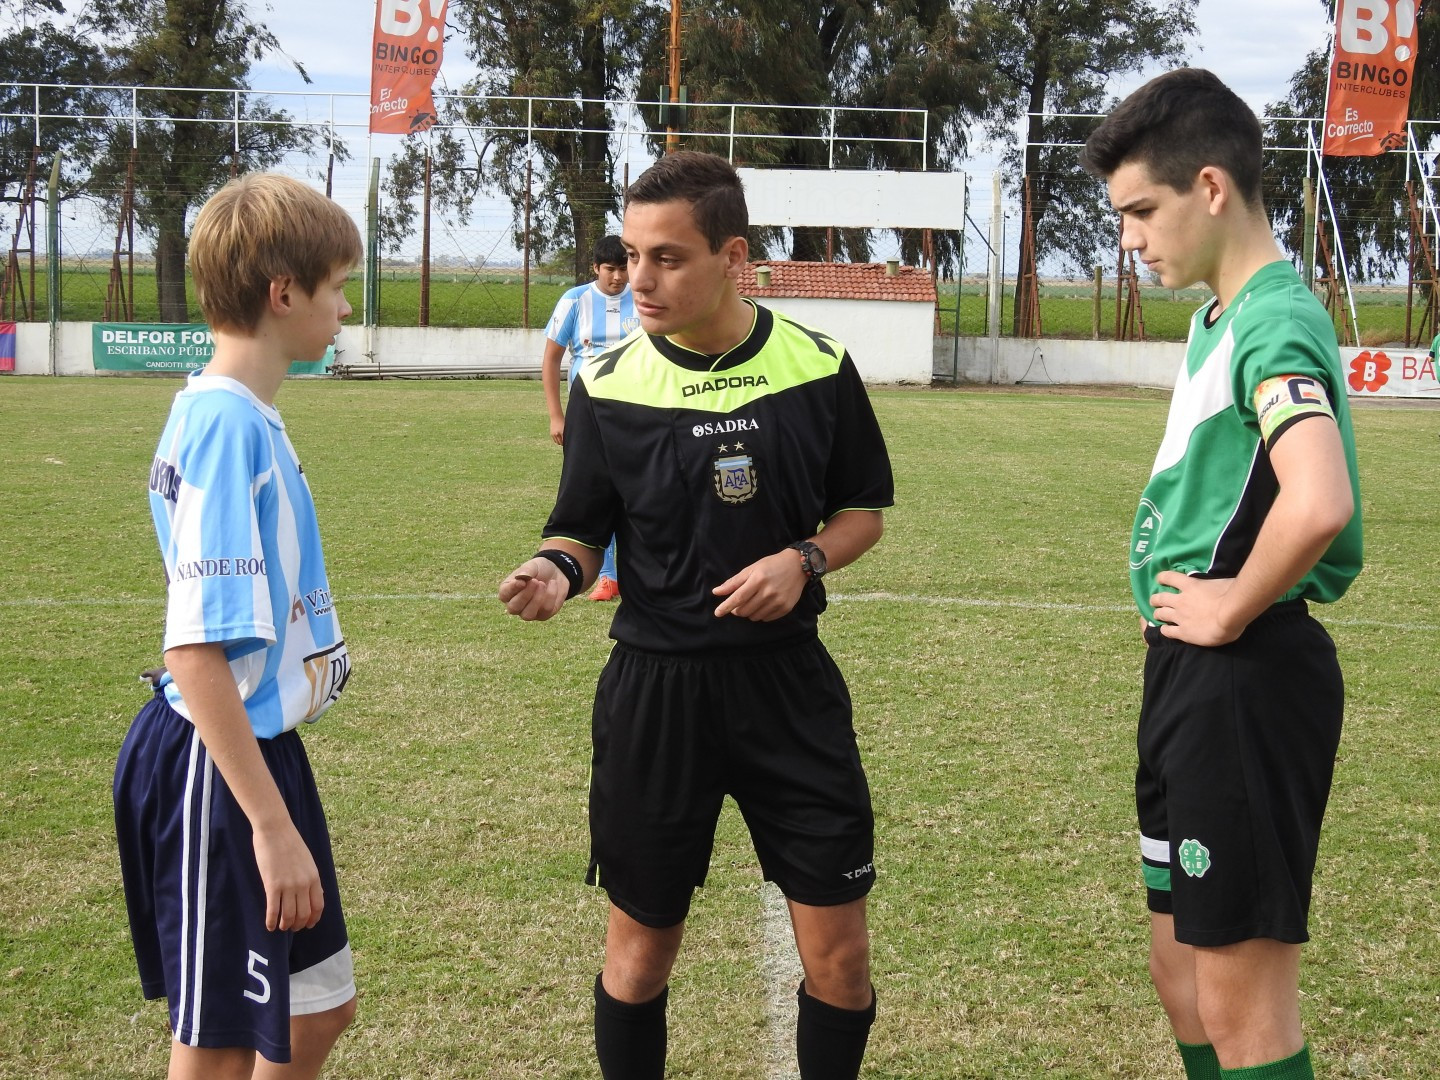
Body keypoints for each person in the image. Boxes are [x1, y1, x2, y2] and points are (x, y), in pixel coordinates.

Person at [499, 150, 893, 1080]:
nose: (639, 279)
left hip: (788, 689)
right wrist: (554, 571)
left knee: (841, 959)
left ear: (732, 256)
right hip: (656, 694)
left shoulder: (817, 365)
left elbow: (862, 514)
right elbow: (579, 529)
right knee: (639, 957)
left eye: (667, 258)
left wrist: (802, 561)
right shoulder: (607, 383)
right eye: (633, 255)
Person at [1082, 69, 1363, 1080]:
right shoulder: (1220, 316)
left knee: (1243, 1007)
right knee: (1183, 977)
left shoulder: (1273, 319)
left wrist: (1231, 604)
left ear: (1210, 187)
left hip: (1245, 679)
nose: (1128, 239)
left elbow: (1318, 499)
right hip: (1191, 677)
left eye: (1140, 211)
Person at [113, 173, 363, 1080]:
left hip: (262, 753)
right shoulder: (225, 423)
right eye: (338, 287)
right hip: (218, 768)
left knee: (317, 1009)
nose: (346, 309)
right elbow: (195, 647)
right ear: (283, 292)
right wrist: (268, 823)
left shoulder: (243, 411)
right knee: (220, 1040)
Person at [540, 234, 638, 602]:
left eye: (624, 268)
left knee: (637, 490)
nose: (618, 276)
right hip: (588, 414)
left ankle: (636, 571)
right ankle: (608, 577)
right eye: (610, 269)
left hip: (637, 409)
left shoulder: (643, 298)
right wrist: (557, 416)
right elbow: (551, 360)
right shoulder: (574, 300)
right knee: (594, 492)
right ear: (595, 267)